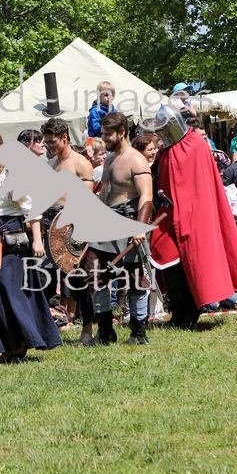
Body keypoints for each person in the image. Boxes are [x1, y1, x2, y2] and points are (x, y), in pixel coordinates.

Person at [149, 107, 237, 329]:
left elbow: (201, 186)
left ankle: (190, 311)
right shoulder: (166, 150)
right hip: (167, 216)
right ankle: (178, 310)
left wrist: (189, 213)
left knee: (189, 265)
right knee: (164, 258)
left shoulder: (195, 145)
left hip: (194, 215)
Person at [0, 129, 62, 359]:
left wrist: (37, 240)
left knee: (7, 290)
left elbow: (31, 210)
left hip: (9, 240)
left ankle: (21, 342)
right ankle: (5, 344)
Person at [82, 112, 153, 345]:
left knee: (134, 279)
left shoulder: (136, 160)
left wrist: (140, 227)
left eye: (107, 135)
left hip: (130, 220)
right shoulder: (111, 158)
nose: (103, 138)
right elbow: (105, 191)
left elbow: (146, 196)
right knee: (95, 273)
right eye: (102, 133)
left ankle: (138, 334)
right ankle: (105, 332)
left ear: (122, 133)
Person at [40, 117, 96, 344]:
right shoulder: (51, 164)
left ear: (65, 137)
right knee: (43, 278)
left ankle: (87, 330)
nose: (49, 146)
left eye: (52, 142)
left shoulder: (80, 163)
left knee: (77, 282)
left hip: (72, 226)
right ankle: (45, 329)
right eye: (46, 143)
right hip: (49, 224)